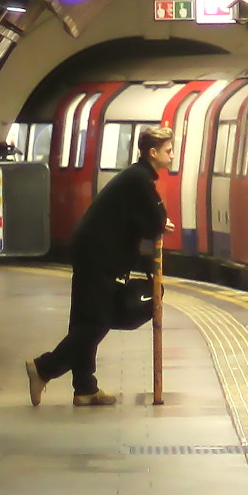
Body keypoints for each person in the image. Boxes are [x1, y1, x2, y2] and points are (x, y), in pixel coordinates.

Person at [25, 126, 176, 406]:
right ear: (153, 152)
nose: (172, 155)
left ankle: (85, 388)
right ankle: (43, 368)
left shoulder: (136, 177)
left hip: (93, 251)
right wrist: (157, 225)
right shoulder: (139, 179)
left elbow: (142, 220)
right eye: (168, 150)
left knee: (85, 321)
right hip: (98, 255)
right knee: (97, 321)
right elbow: (156, 217)